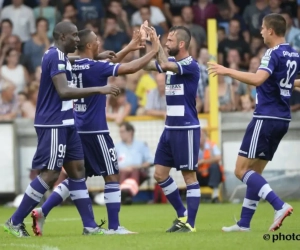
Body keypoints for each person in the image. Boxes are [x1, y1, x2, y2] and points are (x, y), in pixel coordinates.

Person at [30, 28, 160, 235]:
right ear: (90, 45)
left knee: (77, 179)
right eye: (97, 40)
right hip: (96, 130)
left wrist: (130, 46)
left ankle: (42, 211)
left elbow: (106, 62)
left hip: (78, 129)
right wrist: (153, 51)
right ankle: (115, 227)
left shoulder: (72, 64)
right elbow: (128, 68)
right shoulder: (95, 67)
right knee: (111, 175)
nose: (100, 42)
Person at [3, 21, 120, 238]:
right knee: (50, 174)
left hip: (67, 123)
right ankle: (14, 221)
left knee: (77, 171)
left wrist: (99, 55)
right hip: (54, 123)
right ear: (63, 37)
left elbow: (72, 60)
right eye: (74, 35)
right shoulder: (55, 56)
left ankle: (90, 227)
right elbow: (64, 91)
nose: (78, 39)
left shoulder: (58, 55)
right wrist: (99, 89)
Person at [207, 13, 298, 232]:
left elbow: (258, 79)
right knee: (254, 173)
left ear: (271, 31)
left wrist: (227, 70)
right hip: (282, 119)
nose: (260, 32)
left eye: (262, 28)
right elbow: (291, 81)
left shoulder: (272, 53)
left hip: (265, 117)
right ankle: (244, 223)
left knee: (240, 171)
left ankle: (279, 205)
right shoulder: (294, 53)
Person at [140, 23, 201, 233]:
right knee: (159, 174)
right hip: (170, 128)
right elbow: (149, 66)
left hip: (186, 128)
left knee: (189, 176)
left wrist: (155, 44)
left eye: (170, 40)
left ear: (182, 44)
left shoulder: (191, 65)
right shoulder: (171, 62)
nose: (167, 42)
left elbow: (164, 65)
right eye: (165, 40)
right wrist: (147, 47)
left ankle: (190, 224)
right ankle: (182, 215)